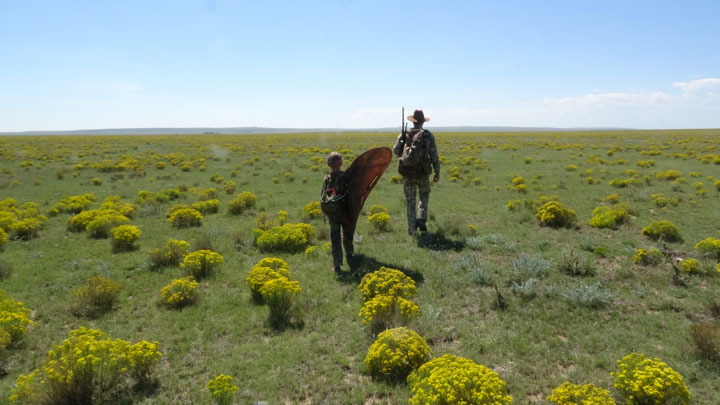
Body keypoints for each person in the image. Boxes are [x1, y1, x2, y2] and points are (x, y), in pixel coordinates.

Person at [393, 109, 440, 234]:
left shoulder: (405, 134)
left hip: (408, 173)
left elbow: (396, 151)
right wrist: (437, 172)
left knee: (410, 201)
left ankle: (411, 230)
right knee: (424, 195)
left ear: (413, 121)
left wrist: (406, 151)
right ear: (423, 122)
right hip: (423, 173)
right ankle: (421, 218)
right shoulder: (428, 135)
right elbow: (434, 155)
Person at [321, 152, 354, 272]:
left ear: (329, 165)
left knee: (335, 237)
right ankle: (350, 254)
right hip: (346, 211)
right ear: (341, 163)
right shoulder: (346, 176)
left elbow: (324, 195)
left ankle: (337, 265)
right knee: (347, 233)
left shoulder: (327, 178)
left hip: (332, 212)